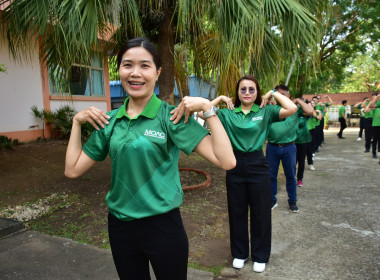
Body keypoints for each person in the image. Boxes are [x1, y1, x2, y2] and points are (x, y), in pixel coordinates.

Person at [64, 37, 236, 280]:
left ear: (157, 72)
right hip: (120, 227)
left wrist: (208, 109)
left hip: (163, 227)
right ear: (120, 70)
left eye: (145, 66)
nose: (135, 73)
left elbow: (226, 161)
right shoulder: (110, 121)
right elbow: (72, 169)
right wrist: (76, 123)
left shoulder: (172, 117)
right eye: (127, 65)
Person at [174, 75, 297, 273]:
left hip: (258, 164)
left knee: (261, 212)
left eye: (251, 89)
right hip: (234, 163)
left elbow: (292, 109)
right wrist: (220, 98)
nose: (247, 93)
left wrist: (273, 93)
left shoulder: (265, 111)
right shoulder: (228, 113)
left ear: (257, 92)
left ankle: (260, 255)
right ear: (237, 93)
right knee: (237, 210)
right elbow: (200, 114)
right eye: (243, 89)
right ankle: (239, 253)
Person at [266, 85, 313, 213]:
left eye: (283, 94)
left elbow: (309, 111)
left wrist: (298, 101)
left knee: (291, 176)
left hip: (289, 147)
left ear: (288, 96)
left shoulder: (295, 110)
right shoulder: (271, 109)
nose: (280, 97)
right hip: (272, 147)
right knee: (271, 175)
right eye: (277, 94)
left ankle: (292, 201)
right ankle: (272, 200)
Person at [295, 98, 314, 187]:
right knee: (292, 162)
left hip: (303, 140)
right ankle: (291, 178)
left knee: (301, 161)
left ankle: (300, 179)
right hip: (292, 141)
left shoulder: (304, 114)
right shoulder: (292, 113)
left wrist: (299, 101)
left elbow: (310, 111)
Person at [306, 100, 322, 171]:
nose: (311, 106)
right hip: (302, 132)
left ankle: (310, 163)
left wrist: (319, 112)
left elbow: (319, 118)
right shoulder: (302, 112)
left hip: (311, 130)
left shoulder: (313, 112)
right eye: (309, 105)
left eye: (312, 104)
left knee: (310, 148)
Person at [364, 93, 380, 159]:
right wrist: (376, 98)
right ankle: (374, 153)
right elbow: (367, 109)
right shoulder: (376, 105)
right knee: (374, 140)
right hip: (375, 124)